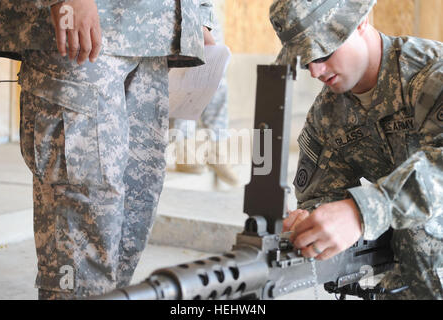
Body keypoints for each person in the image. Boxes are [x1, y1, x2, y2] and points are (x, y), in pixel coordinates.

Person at [0, 0, 214, 299]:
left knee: (133, 217)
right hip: (82, 33)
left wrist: (196, 14)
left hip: (155, 33)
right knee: (81, 230)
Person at [269, 0, 442, 299]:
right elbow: (320, 196)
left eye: (322, 52)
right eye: (304, 60)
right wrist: (309, 222)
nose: (315, 71)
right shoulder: (327, 115)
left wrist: (362, 211)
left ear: (359, 21)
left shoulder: (431, 76)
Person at [170, 12, 240, 187]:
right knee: (185, 72)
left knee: (216, 71)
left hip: (204, 9)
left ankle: (217, 150)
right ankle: (184, 152)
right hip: (176, 9)